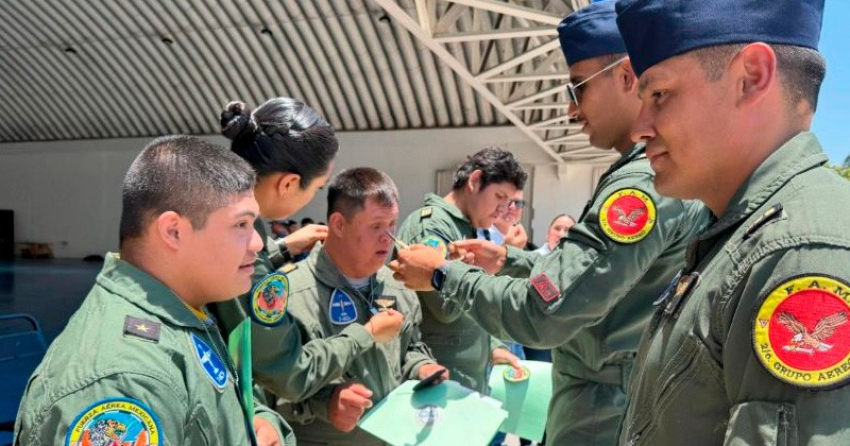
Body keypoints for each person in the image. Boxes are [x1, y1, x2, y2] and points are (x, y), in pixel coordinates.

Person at [389, 3, 709, 444]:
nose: (572, 110)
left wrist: (442, 274)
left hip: (603, 407)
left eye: (578, 89)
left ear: (626, 76)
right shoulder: (654, 175)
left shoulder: (640, 188)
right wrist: (512, 262)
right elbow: (588, 282)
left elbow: (547, 313)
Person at [612, 0, 850, 443]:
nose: (639, 128)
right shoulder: (744, 233)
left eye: (659, 94)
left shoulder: (797, 252)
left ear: (752, 76)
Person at [14, 136, 291, 445]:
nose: (257, 244)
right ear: (173, 231)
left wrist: (258, 421)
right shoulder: (126, 382)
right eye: (241, 225)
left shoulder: (186, 311)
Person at [210, 98, 403, 406]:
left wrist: (282, 250)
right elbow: (291, 372)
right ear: (288, 183)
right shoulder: (245, 242)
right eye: (317, 188)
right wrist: (367, 334)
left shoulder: (214, 210)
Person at [275, 168, 446, 445]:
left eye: (392, 225)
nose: (389, 238)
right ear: (339, 224)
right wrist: (325, 403)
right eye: (377, 226)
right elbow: (270, 386)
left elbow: (410, 347)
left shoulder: (398, 283)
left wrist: (423, 368)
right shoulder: (291, 293)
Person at [395, 147, 525, 394]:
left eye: (509, 202)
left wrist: (493, 346)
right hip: (438, 379)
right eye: (499, 196)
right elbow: (445, 306)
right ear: (474, 181)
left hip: (463, 377)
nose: (503, 209)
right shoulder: (434, 227)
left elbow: (472, 304)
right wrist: (495, 265)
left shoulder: (464, 227)